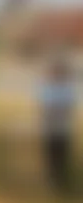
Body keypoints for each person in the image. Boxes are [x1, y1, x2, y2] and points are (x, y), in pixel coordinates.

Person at [39, 59, 76, 195]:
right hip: (50, 129)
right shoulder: (49, 88)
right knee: (51, 156)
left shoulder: (66, 89)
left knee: (61, 156)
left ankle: (60, 181)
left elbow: (66, 108)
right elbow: (45, 108)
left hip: (62, 130)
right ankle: (52, 181)